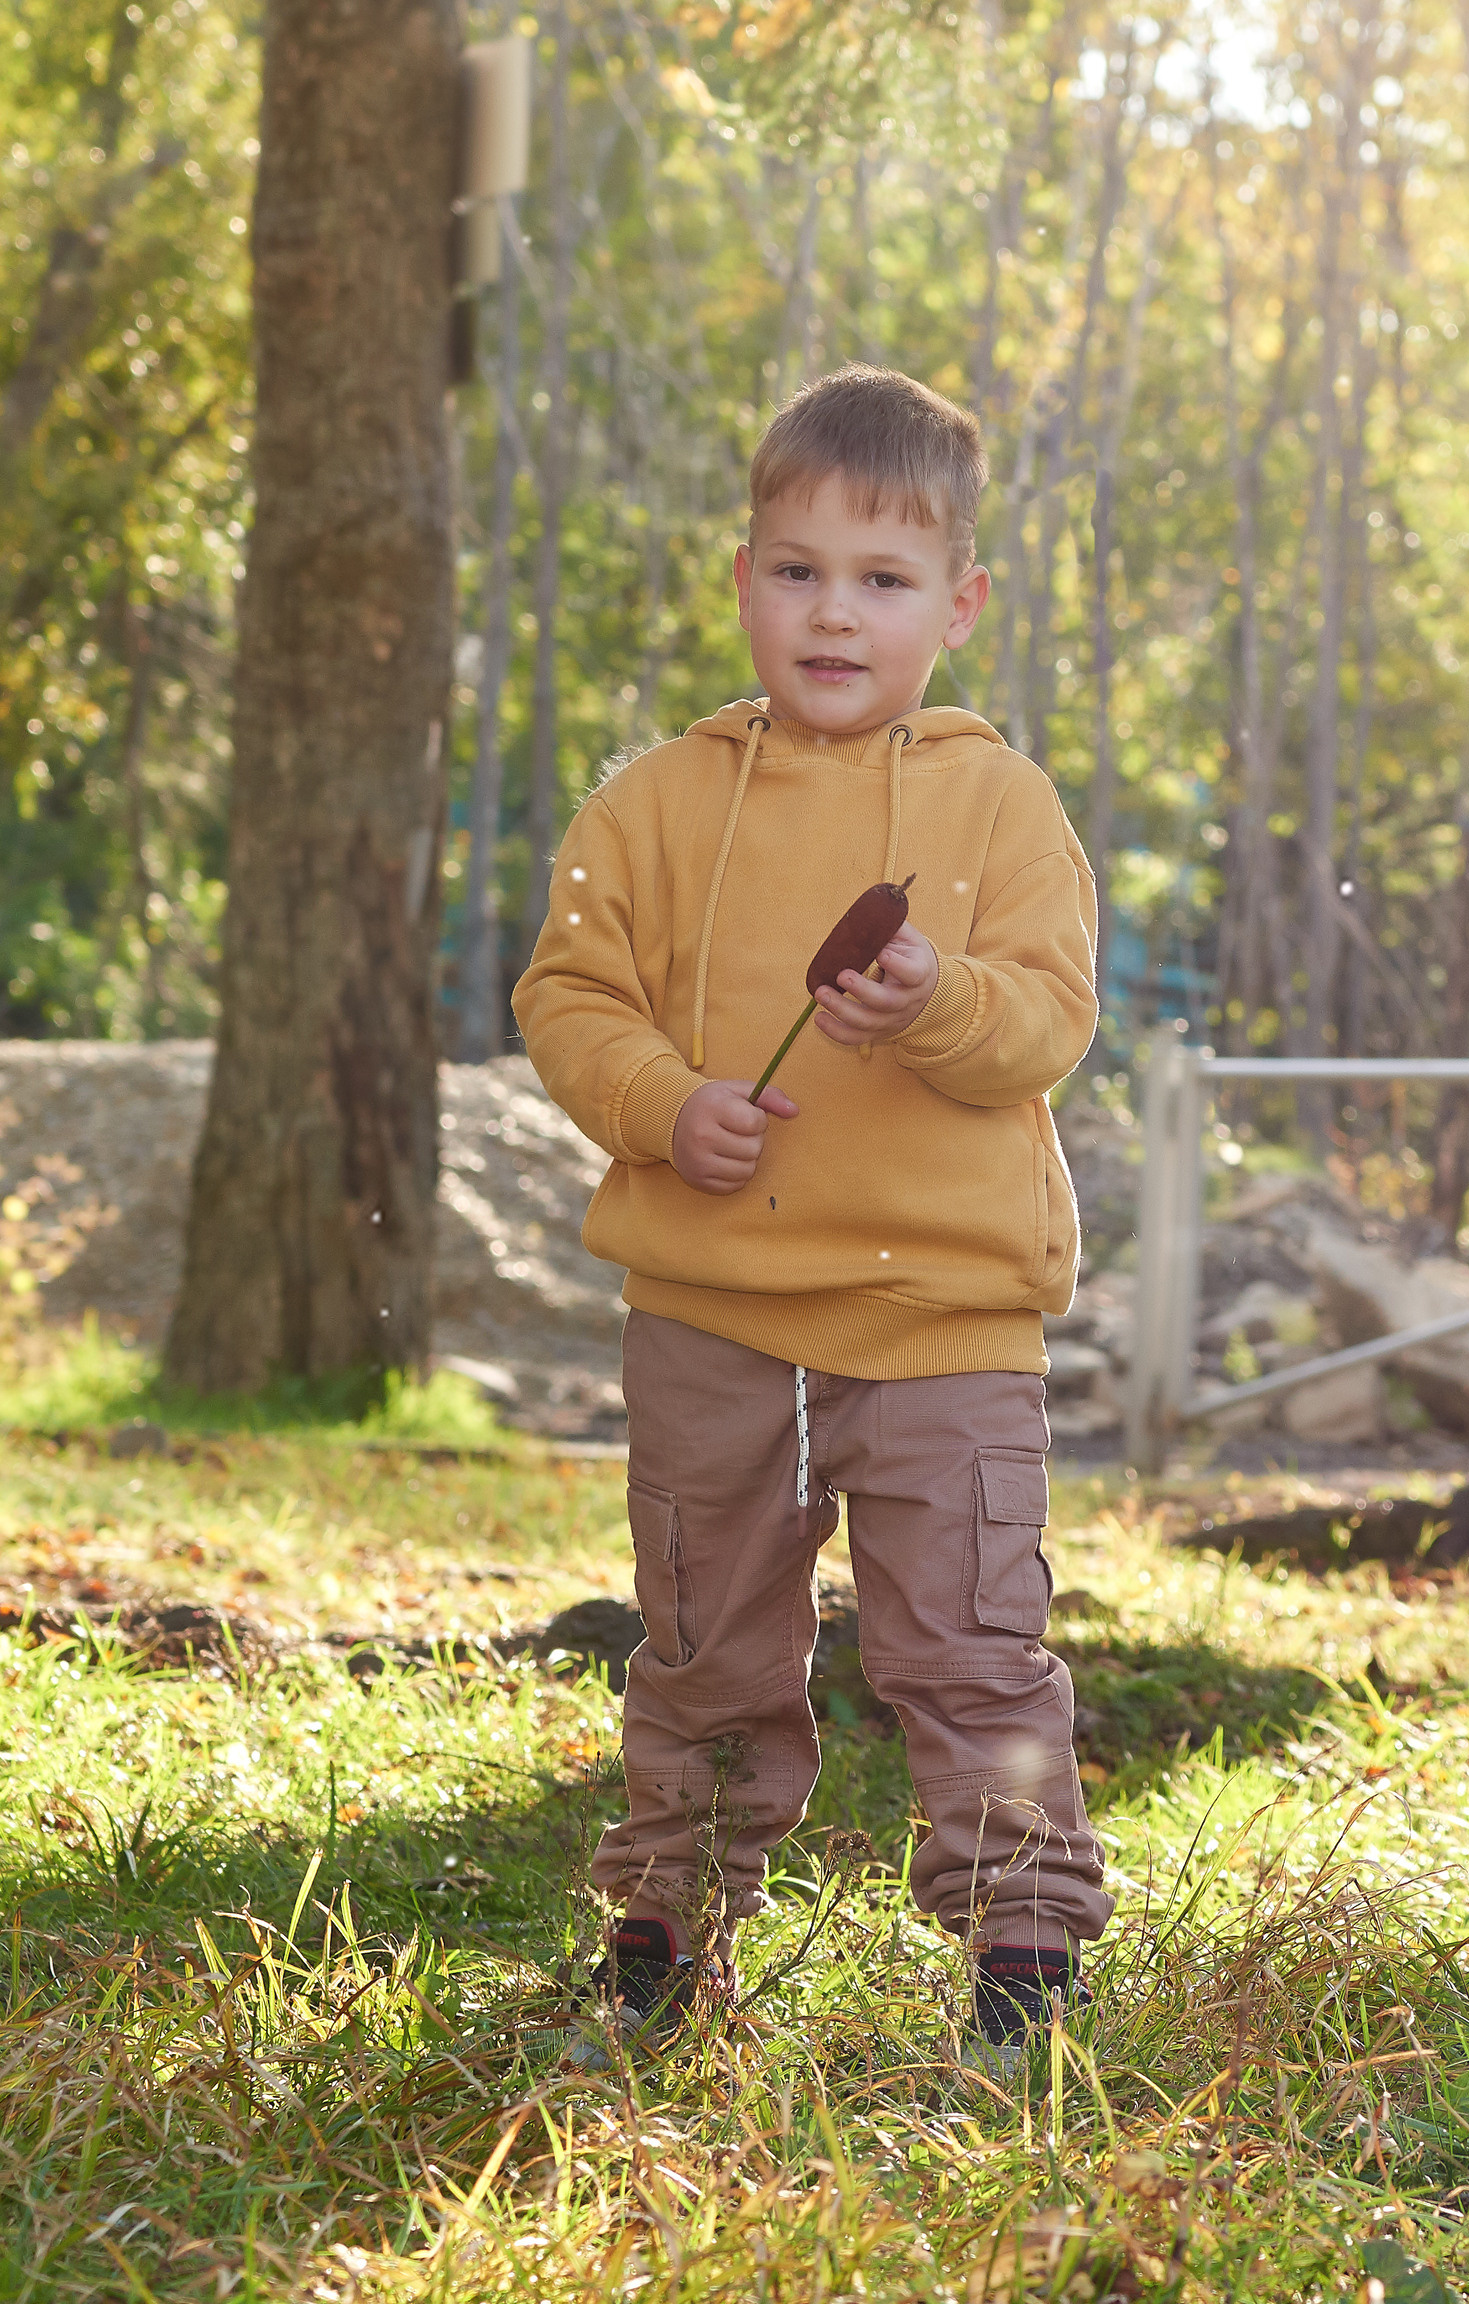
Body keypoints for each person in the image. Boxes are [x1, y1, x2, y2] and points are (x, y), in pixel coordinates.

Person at [513, 364, 1109, 2060]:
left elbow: (1049, 1022)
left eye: (883, 578)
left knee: (971, 1648)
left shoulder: (1003, 808)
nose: (834, 613)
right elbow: (568, 994)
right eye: (798, 570)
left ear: (959, 606)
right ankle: (665, 1939)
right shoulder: (653, 803)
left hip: (943, 1328)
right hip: (711, 1318)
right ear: (745, 580)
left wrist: (939, 998)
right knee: (706, 1648)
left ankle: (1024, 1956)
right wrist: (662, 1104)